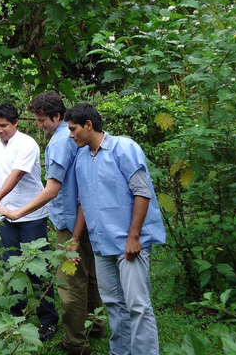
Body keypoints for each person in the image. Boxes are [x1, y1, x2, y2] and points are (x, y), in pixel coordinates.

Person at [0, 92, 104, 354]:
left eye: (42, 119)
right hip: (87, 214)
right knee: (91, 275)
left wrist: (18, 212)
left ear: (57, 116)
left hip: (69, 222)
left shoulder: (59, 142)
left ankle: (75, 342)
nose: (39, 124)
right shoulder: (73, 137)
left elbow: (52, 189)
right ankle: (96, 325)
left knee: (70, 283)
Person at [65, 103, 166, 355]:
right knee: (112, 304)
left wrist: (133, 238)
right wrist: (75, 240)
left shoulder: (124, 148)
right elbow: (83, 203)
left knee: (137, 305)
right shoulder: (82, 157)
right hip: (102, 243)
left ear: (88, 125)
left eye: (73, 129)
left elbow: (142, 193)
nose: (70, 135)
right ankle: (120, 351)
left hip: (129, 244)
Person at [0, 101, 59, 341]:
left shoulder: (27, 144)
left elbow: (16, 175)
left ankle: (48, 320)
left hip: (31, 215)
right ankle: (16, 317)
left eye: (4, 125)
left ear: (16, 122)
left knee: (38, 269)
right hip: (6, 216)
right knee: (11, 267)